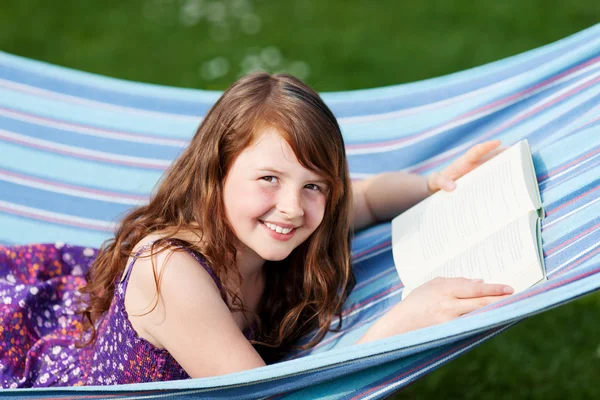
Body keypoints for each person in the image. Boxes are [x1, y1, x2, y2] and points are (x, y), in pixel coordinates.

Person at [0, 73, 511, 388]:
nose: (291, 208)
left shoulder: (291, 219)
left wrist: (433, 184)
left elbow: (370, 197)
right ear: (217, 172)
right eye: (269, 179)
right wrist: (400, 325)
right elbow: (261, 396)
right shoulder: (171, 272)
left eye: (313, 185)